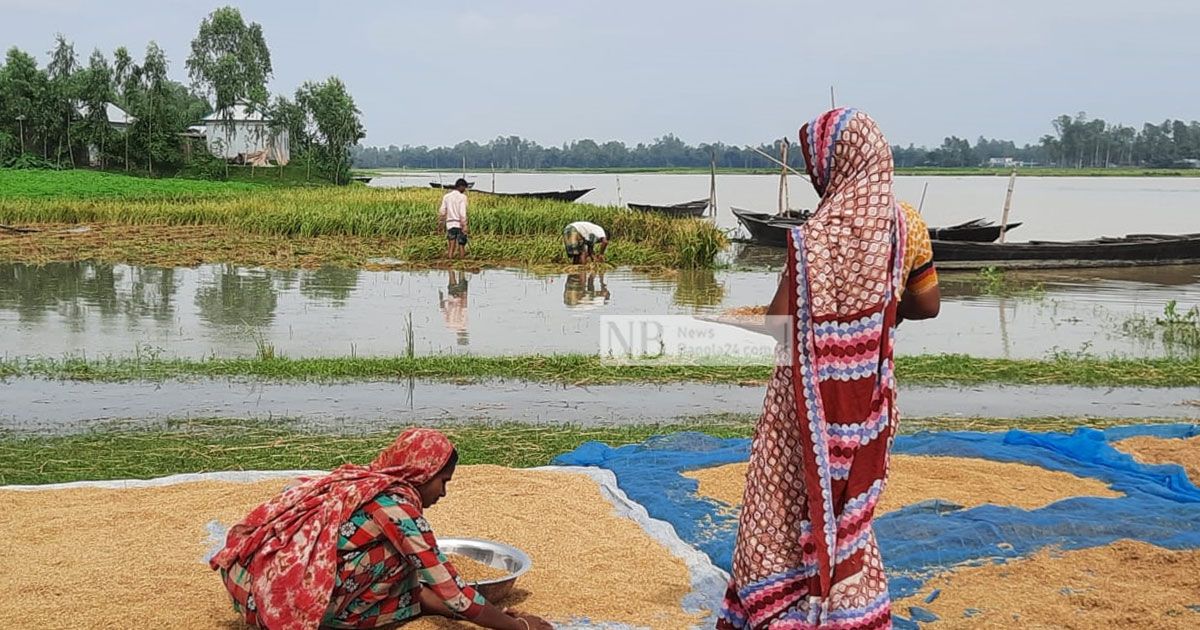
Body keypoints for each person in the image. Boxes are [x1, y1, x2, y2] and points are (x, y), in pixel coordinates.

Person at [718, 109, 940, 629]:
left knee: (781, 500)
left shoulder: (814, 235)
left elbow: (779, 322)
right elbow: (927, 305)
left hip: (803, 401)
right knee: (849, 510)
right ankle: (846, 604)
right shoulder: (906, 225)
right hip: (867, 398)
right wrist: (882, 312)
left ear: (831, 166)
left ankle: (783, 601)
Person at [210, 428, 553, 630]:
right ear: (423, 472)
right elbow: (455, 593)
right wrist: (517, 626)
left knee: (402, 565)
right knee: (401, 557)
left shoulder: (358, 481)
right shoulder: (394, 508)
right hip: (281, 609)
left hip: (248, 588)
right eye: (442, 481)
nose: (443, 493)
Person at [439, 178, 470, 260]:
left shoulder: (446, 197)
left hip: (450, 224)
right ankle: (462, 263)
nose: (464, 190)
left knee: (451, 245)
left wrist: (441, 223)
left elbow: (442, 211)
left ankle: (450, 263)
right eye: (464, 188)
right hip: (459, 224)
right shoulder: (462, 197)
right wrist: (464, 226)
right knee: (461, 245)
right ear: (461, 187)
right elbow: (462, 213)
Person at [440, 269, 470, 345]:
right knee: (451, 274)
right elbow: (443, 310)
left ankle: (461, 265)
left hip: (460, 295)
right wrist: (441, 299)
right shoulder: (449, 326)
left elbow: (464, 308)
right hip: (452, 296)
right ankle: (452, 265)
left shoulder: (464, 324)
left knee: (462, 275)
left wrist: (464, 294)